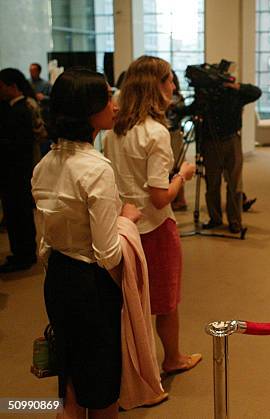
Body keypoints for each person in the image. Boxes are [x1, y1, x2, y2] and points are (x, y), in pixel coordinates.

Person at [31, 68, 142, 418]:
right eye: (107, 98)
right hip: (90, 284)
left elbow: (46, 239)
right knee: (102, 384)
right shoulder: (96, 169)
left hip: (58, 278)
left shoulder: (44, 164)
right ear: (88, 109)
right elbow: (108, 253)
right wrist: (127, 220)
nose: (115, 105)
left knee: (70, 377)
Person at [103, 56, 201, 376]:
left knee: (131, 299)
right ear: (156, 86)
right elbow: (160, 199)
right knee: (165, 299)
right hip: (155, 227)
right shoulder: (155, 133)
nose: (174, 86)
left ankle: (134, 365)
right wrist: (182, 175)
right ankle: (172, 358)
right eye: (169, 80)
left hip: (123, 225)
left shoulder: (113, 132)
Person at [196, 65, 261, 234]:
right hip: (210, 142)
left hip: (232, 140)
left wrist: (237, 86)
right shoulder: (205, 94)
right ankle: (215, 218)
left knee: (234, 183)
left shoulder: (235, 93)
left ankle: (235, 221)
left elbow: (257, 92)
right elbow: (194, 109)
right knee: (212, 183)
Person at [0, 68, 42, 272]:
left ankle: (24, 254)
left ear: (12, 86)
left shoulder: (21, 110)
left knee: (20, 214)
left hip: (18, 171)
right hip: (16, 171)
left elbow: (21, 144)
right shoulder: (14, 108)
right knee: (16, 214)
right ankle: (20, 252)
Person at [167, 71, 188, 211]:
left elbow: (176, 117)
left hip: (173, 135)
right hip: (174, 134)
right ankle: (178, 199)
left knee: (174, 167)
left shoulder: (176, 98)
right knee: (174, 167)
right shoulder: (180, 98)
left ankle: (180, 199)